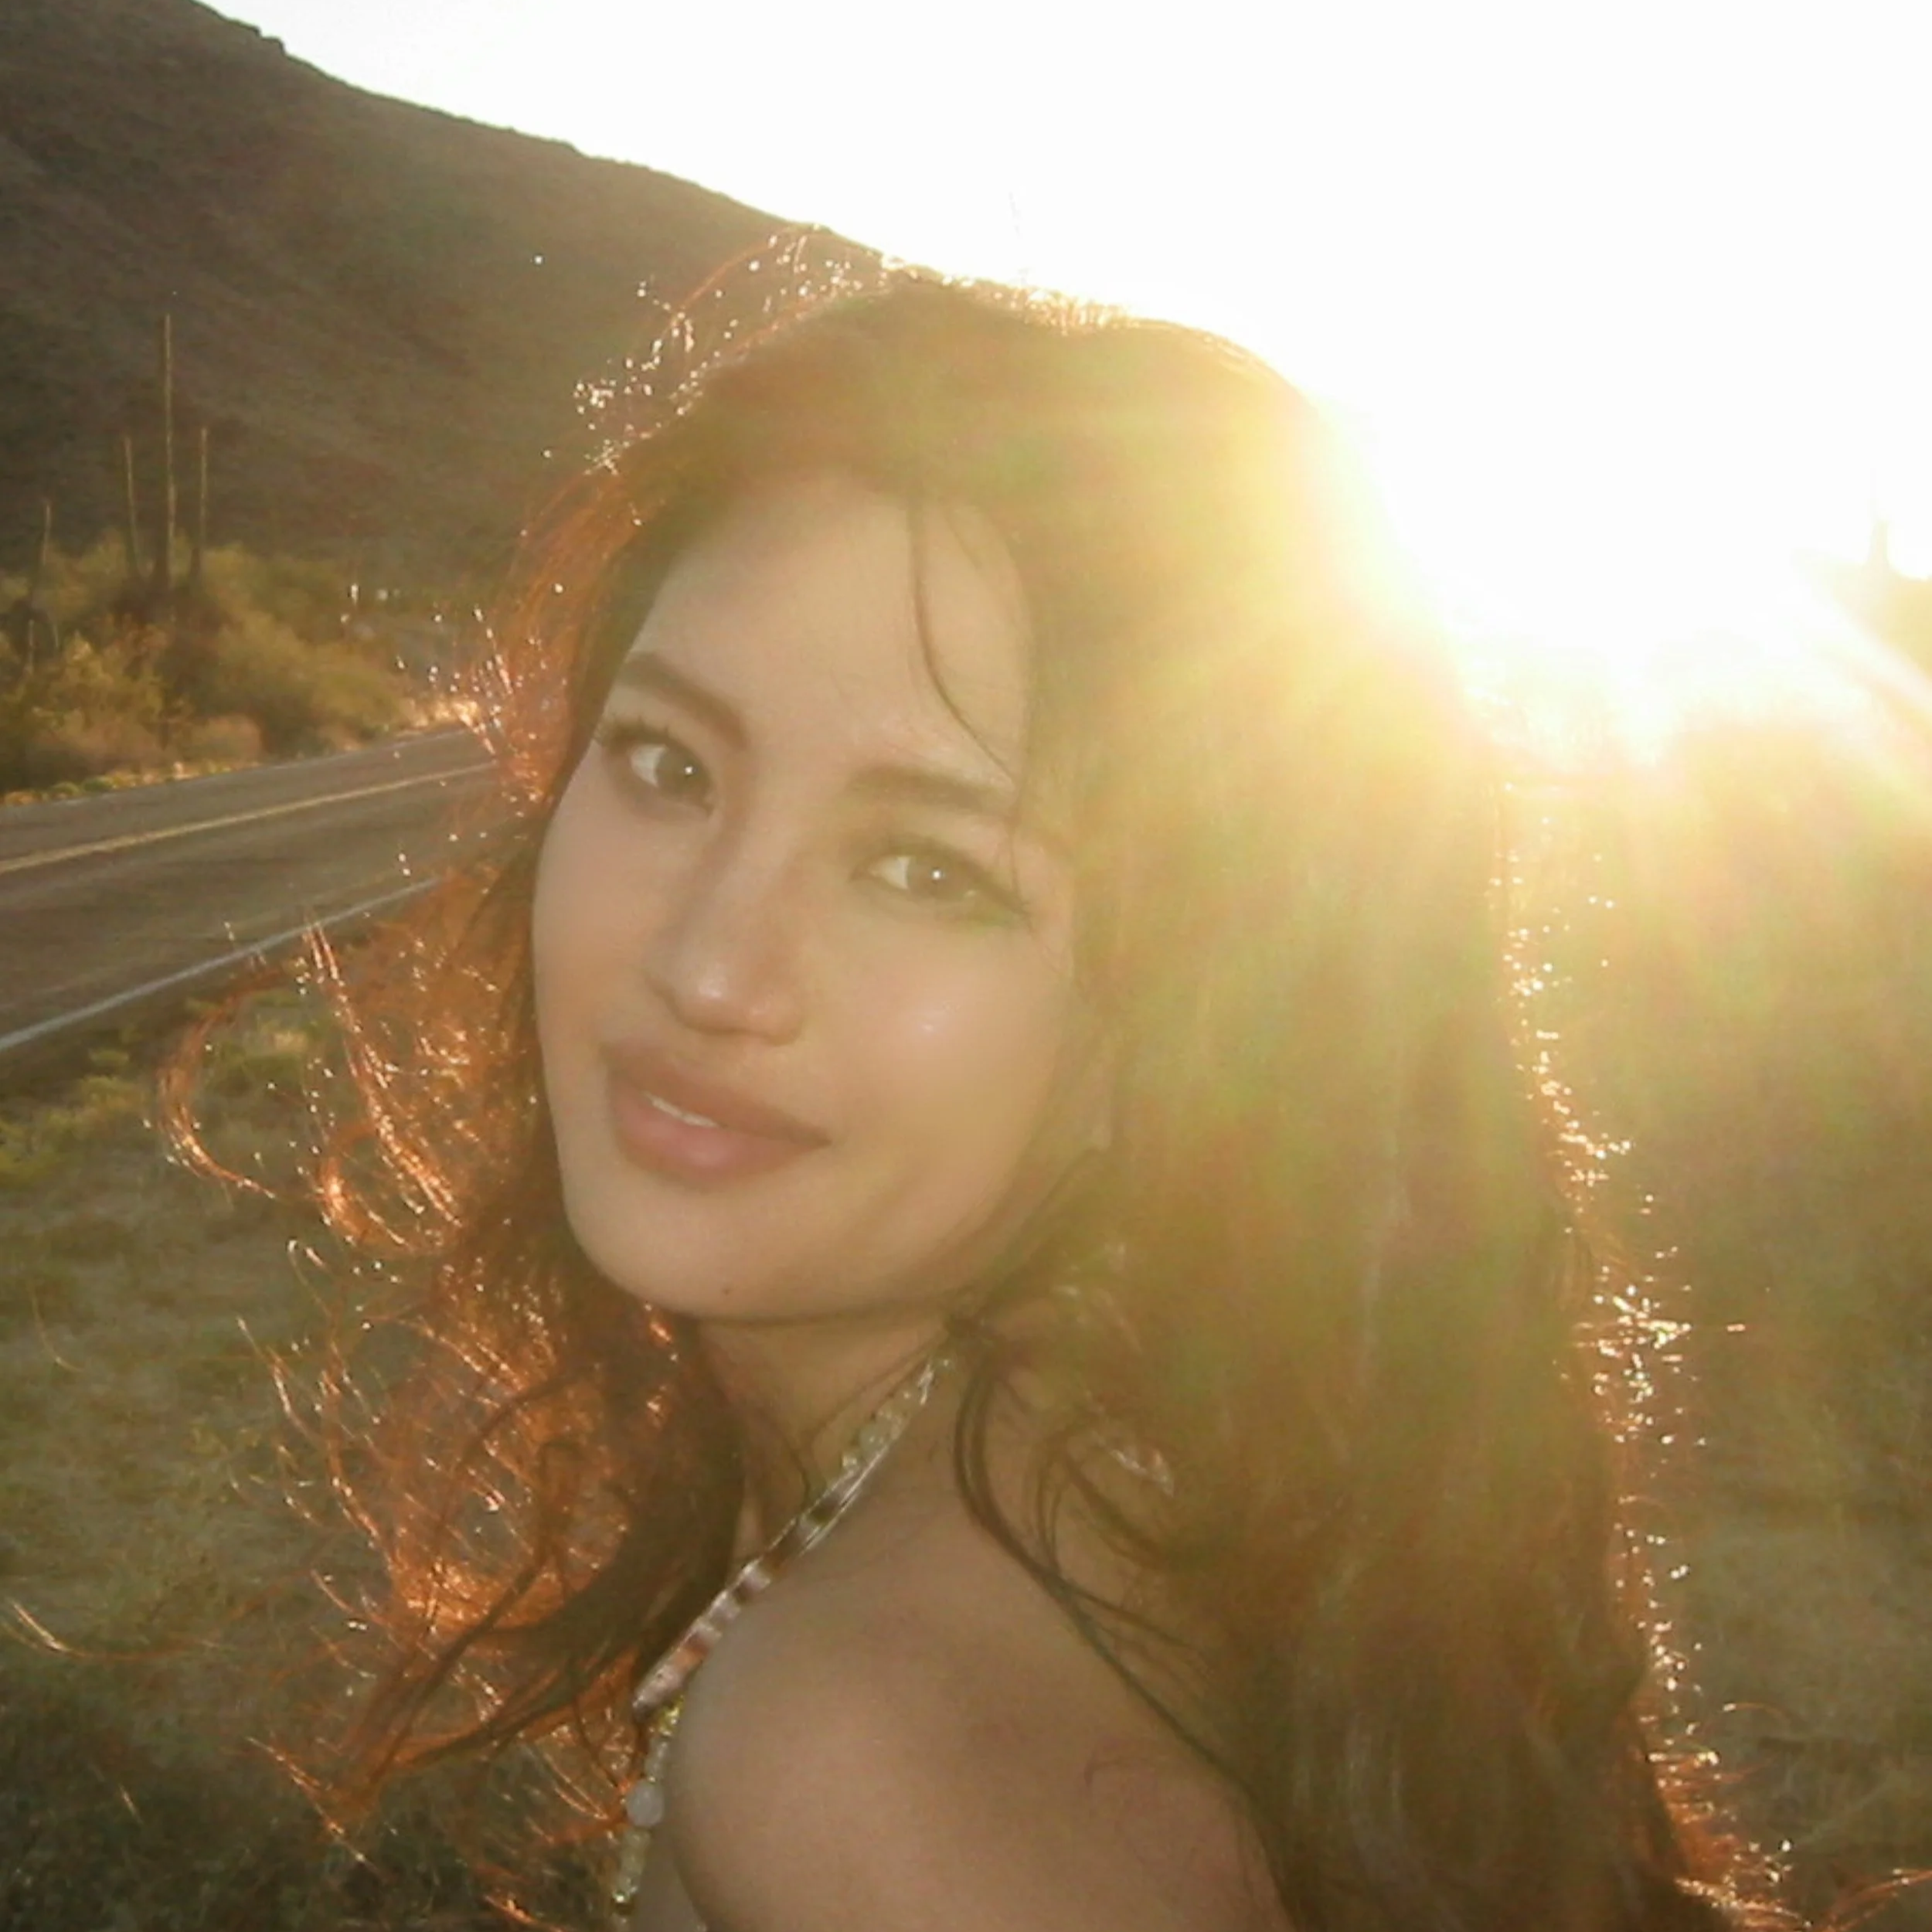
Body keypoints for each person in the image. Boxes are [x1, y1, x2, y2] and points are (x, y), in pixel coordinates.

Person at [302, 260, 1784, 1931]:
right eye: (668, 763)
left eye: (928, 865)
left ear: (1202, 1003)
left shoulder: (869, 1756)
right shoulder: (1213, 1454)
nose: (710, 964)